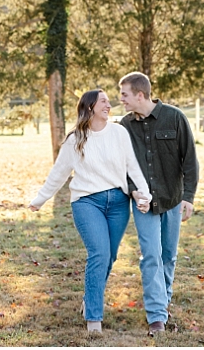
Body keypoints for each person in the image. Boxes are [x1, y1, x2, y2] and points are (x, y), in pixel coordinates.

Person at [29, 89, 152, 334]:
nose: (109, 104)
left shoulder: (119, 132)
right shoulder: (75, 140)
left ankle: (90, 298)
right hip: (87, 202)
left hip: (118, 202)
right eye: (104, 101)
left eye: (108, 101)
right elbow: (59, 173)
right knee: (98, 253)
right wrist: (40, 199)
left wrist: (144, 193)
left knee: (109, 257)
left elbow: (133, 166)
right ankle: (94, 317)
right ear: (90, 107)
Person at [118, 72, 199, 336]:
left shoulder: (175, 118)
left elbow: (190, 161)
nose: (121, 100)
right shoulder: (124, 126)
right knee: (151, 256)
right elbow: (122, 168)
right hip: (144, 204)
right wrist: (133, 192)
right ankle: (156, 316)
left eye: (125, 94)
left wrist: (188, 197)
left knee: (168, 256)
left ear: (140, 95)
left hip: (173, 199)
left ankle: (162, 302)